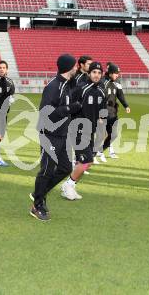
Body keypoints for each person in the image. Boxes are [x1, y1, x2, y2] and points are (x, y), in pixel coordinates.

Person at [29, 54, 81, 221]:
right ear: (68, 67)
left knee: (65, 168)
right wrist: (69, 108)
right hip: (49, 134)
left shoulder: (67, 84)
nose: (77, 68)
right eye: (75, 65)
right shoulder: (53, 86)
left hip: (62, 134)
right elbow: (46, 113)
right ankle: (37, 206)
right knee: (46, 170)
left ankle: (39, 193)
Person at [60, 62, 106, 200]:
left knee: (88, 161)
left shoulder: (101, 90)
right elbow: (67, 104)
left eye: (99, 73)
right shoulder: (81, 88)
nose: (96, 75)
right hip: (78, 129)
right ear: (89, 73)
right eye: (94, 72)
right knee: (86, 161)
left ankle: (70, 185)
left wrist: (100, 121)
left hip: (90, 130)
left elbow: (101, 110)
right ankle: (68, 186)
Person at [100, 64, 130, 160]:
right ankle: (95, 153)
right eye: (116, 73)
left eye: (118, 73)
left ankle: (100, 151)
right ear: (110, 73)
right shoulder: (103, 82)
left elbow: (120, 95)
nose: (118, 75)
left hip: (113, 112)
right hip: (104, 111)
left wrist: (126, 105)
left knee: (113, 134)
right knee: (102, 134)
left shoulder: (117, 82)